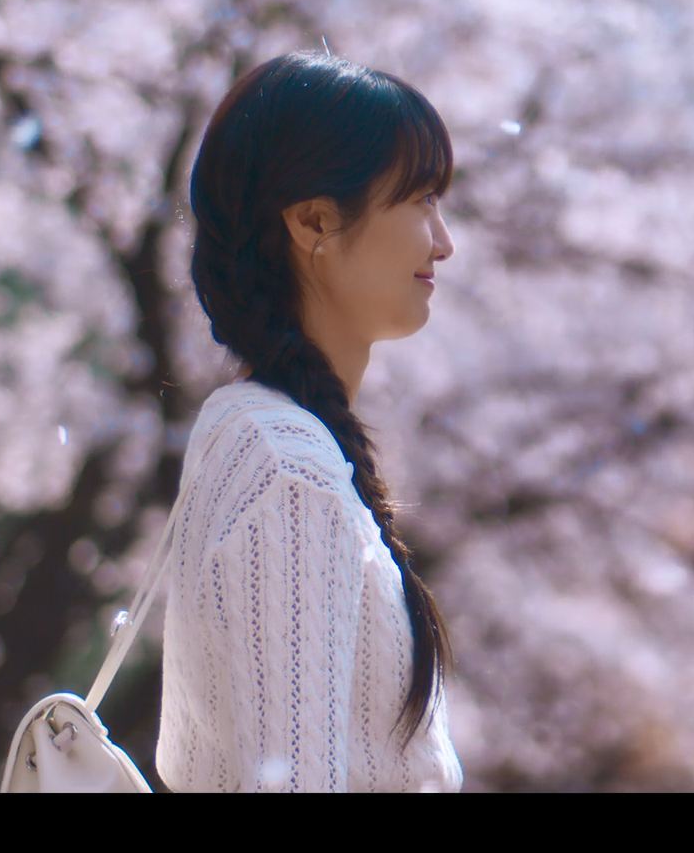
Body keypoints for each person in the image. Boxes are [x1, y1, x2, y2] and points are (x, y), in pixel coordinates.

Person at [156, 51, 463, 792]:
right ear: (314, 220)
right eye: (420, 199)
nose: (444, 241)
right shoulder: (284, 465)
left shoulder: (257, 436)